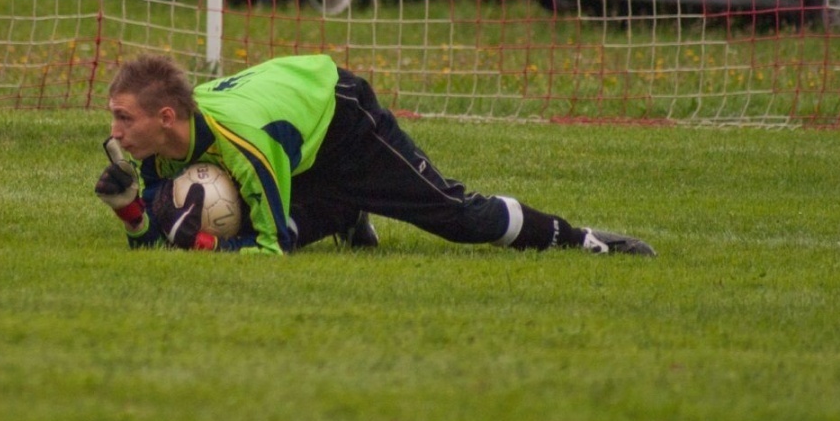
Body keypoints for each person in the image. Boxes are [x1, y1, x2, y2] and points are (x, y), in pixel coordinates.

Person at [94, 54, 656, 256]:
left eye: (125, 118)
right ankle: (344, 211)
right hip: (299, 140)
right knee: (273, 209)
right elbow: (153, 239)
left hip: (342, 117)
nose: (115, 132)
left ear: (166, 117)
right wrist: (130, 212)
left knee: (458, 217)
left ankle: (579, 238)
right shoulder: (155, 154)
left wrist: (208, 245)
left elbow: (271, 250)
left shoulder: (245, 146)